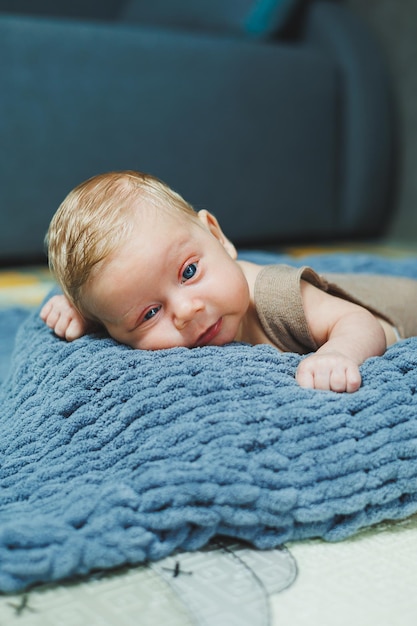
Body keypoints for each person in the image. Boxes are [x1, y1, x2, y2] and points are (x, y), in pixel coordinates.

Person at [41, 170, 417, 393]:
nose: (187, 311)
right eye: (150, 313)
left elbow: (358, 322)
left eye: (189, 272)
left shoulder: (276, 295)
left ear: (217, 236)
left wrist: (339, 354)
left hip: (399, 313)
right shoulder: (128, 306)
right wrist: (80, 311)